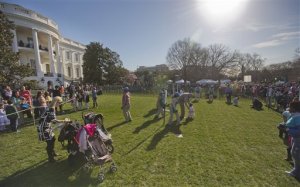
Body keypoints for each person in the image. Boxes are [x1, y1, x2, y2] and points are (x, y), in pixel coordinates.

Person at [285, 101, 300, 178]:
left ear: (294, 108)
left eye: (290, 107)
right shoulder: (295, 115)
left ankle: (297, 172)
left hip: (298, 139)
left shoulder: (298, 117)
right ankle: (296, 170)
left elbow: (299, 130)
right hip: (295, 138)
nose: (289, 108)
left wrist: (288, 130)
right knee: (294, 153)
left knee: (296, 154)